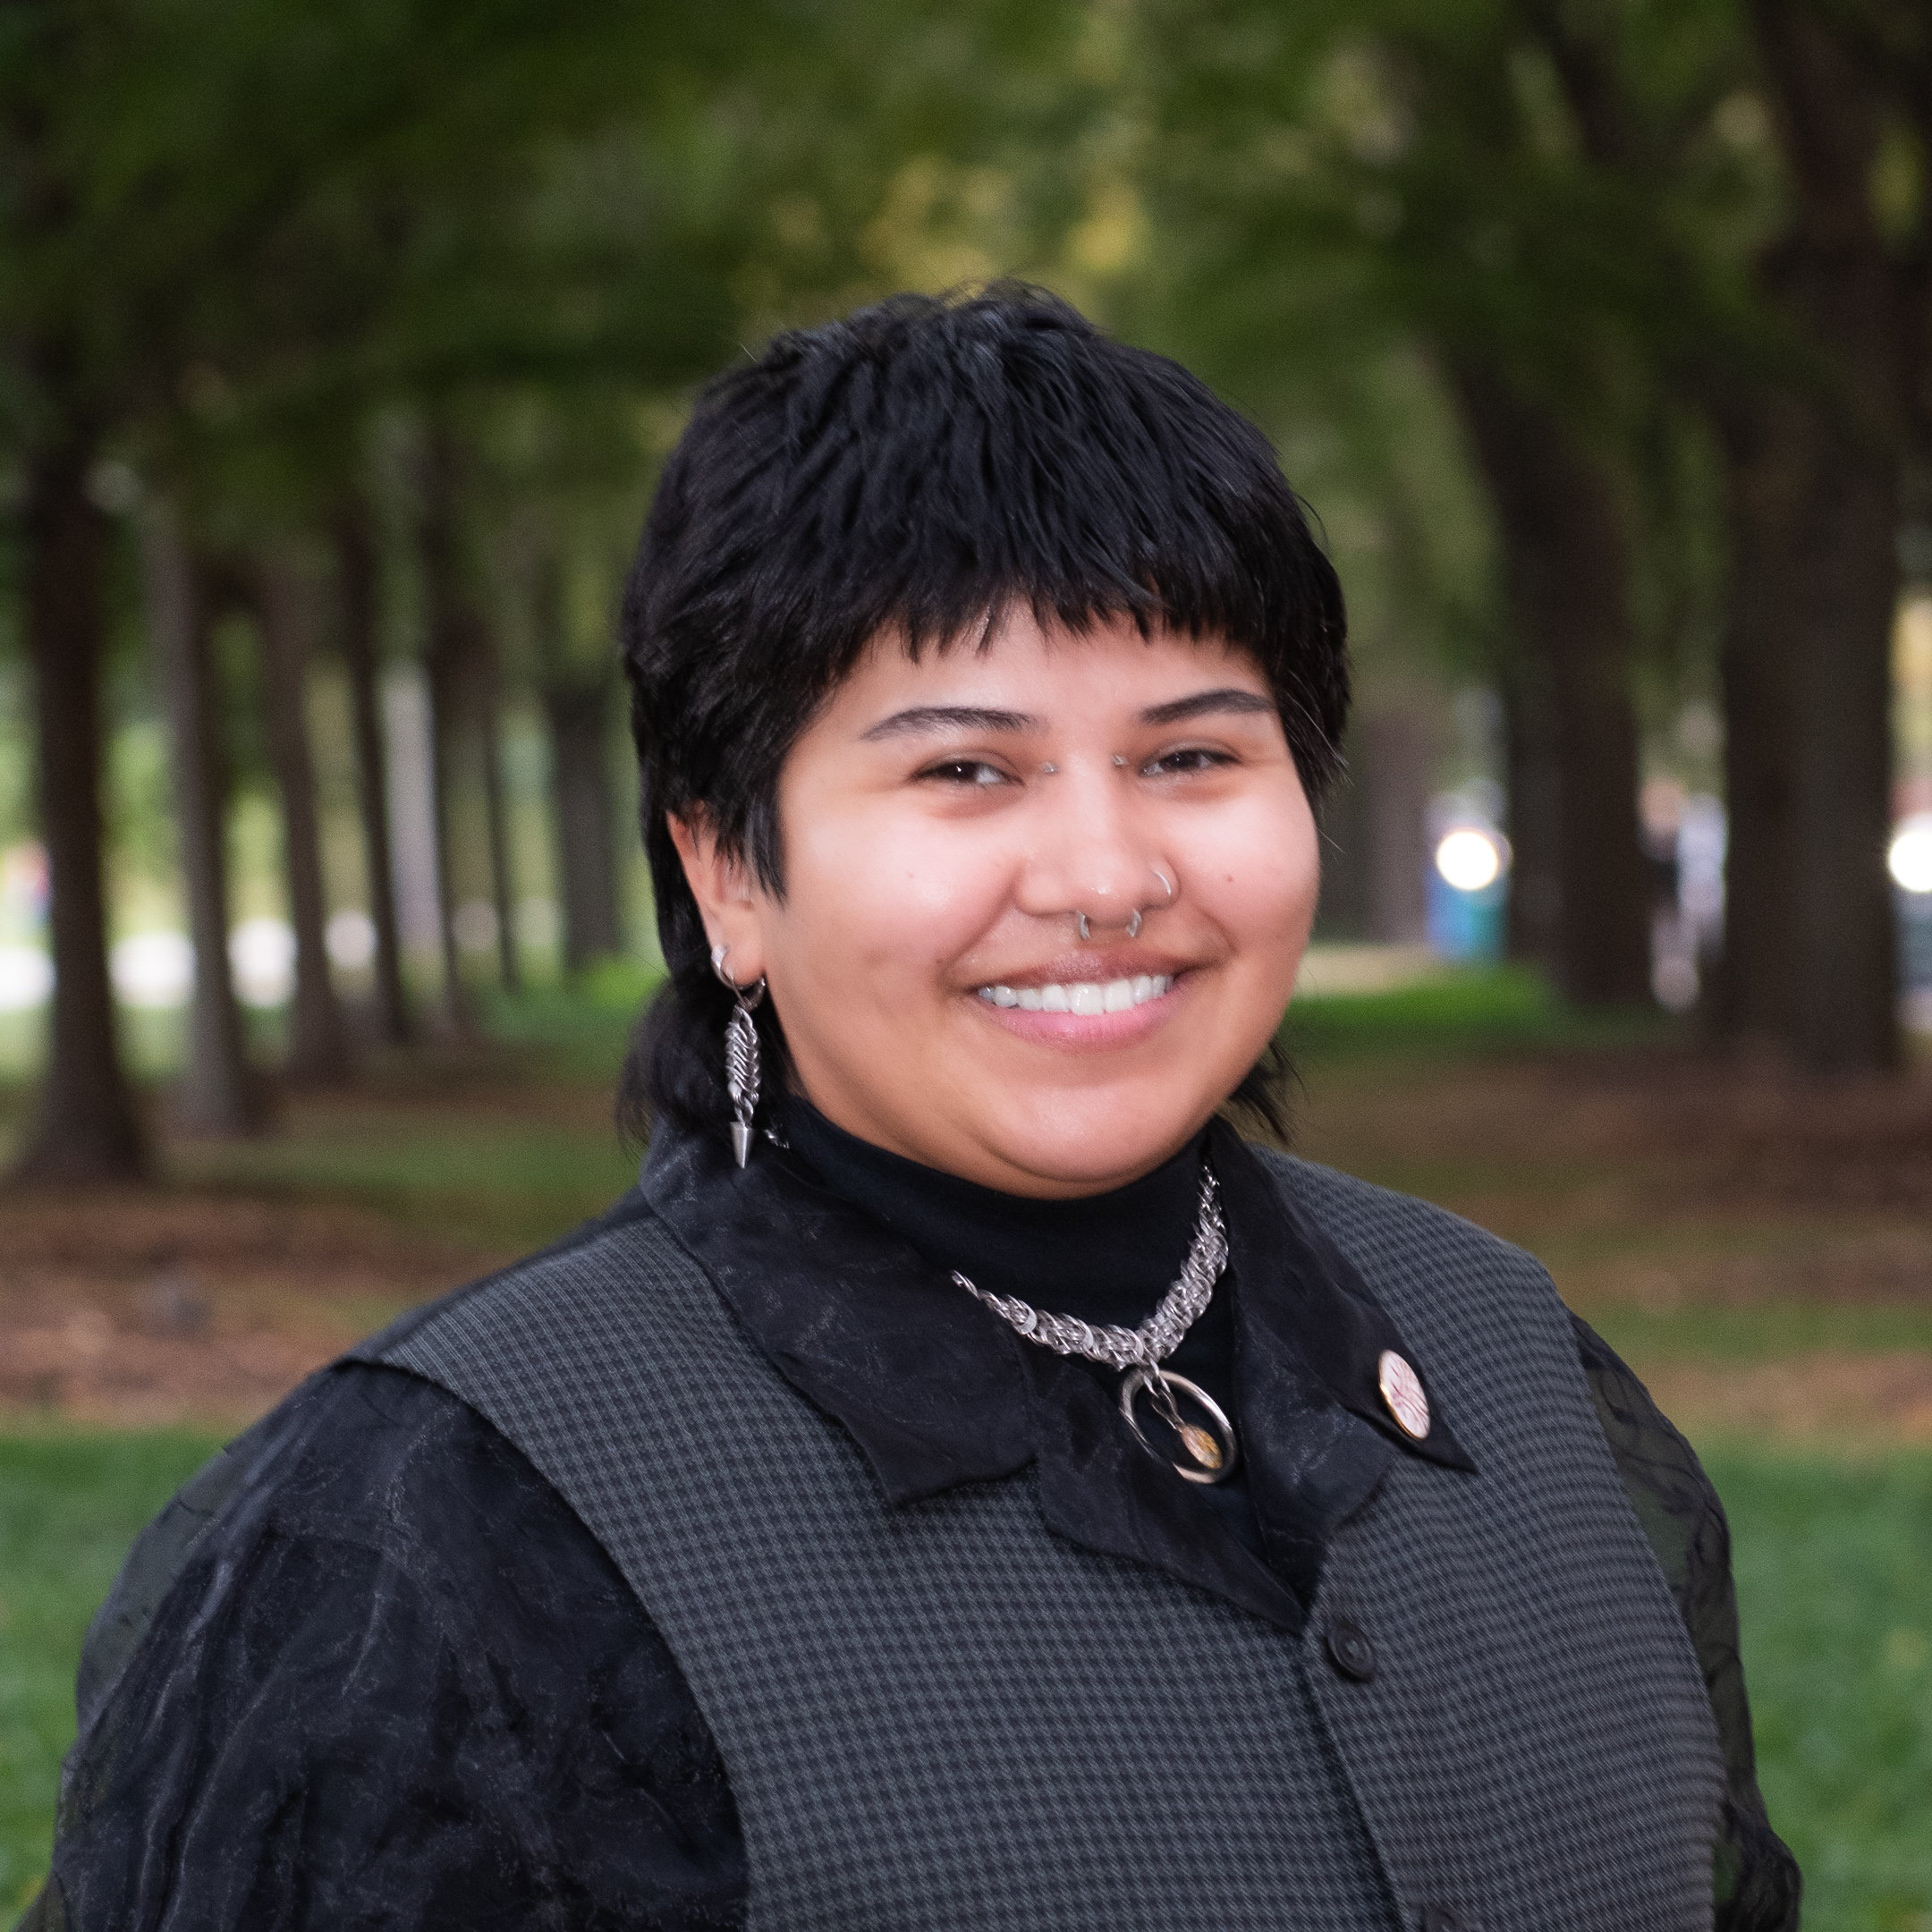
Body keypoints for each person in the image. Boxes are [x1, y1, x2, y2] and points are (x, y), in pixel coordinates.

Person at [23, 287, 1798, 1932]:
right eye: (967, 769)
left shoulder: (1518, 1371)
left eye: (1192, 755)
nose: (1107, 873)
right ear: (727, 867)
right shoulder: (435, 1537)